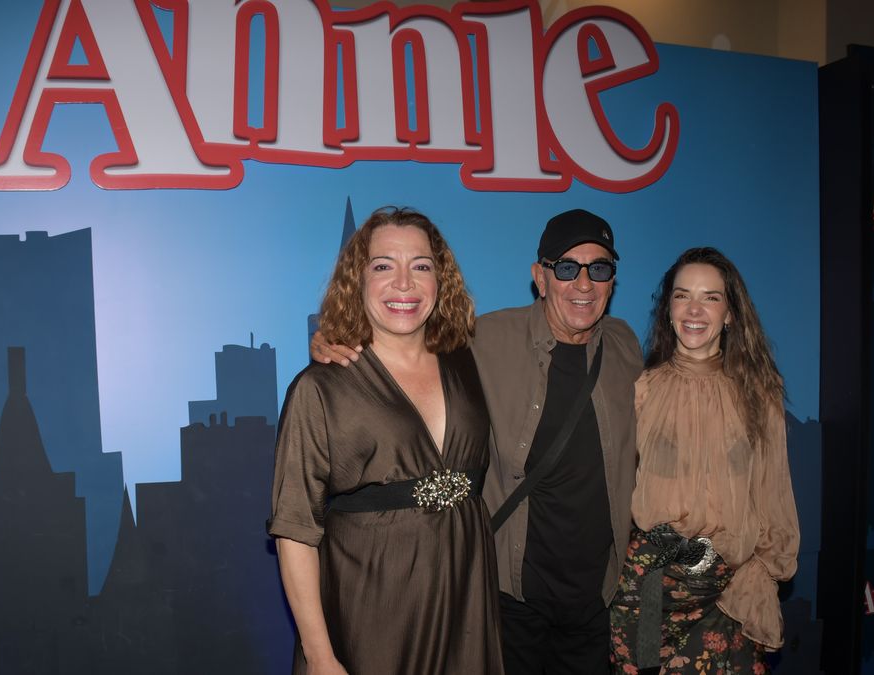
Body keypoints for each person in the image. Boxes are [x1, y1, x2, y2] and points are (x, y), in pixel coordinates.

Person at [314, 209, 642, 674]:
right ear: (540, 277)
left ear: (612, 281)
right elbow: (403, 339)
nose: (584, 284)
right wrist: (334, 339)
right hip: (508, 598)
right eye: (567, 268)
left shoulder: (626, 345)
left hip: (594, 600)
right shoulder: (483, 338)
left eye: (600, 269)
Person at [269, 207, 503, 674]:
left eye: (421, 266)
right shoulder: (321, 388)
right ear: (357, 281)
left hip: (467, 599)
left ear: (441, 280)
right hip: (372, 607)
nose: (404, 283)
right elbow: (295, 530)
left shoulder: (469, 361)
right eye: (383, 266)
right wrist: (320, 656)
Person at [609, 247, 799, 673]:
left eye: (711, 297)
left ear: (730, 313)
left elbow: (774, 494)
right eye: (682, 295)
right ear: (668, 309)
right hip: (649, 592)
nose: (694, 310)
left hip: (729, 594)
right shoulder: (641, 391)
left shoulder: (759, 395)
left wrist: (764, 572)